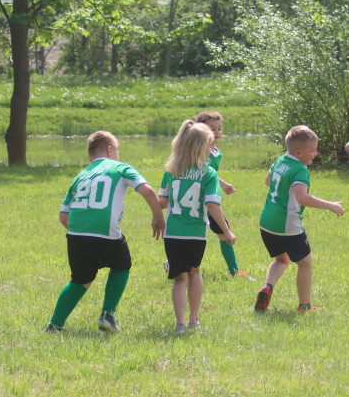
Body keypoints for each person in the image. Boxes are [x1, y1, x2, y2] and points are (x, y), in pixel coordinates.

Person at [45, 131, 166, 333]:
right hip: (105, 233)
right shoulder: (121, 168)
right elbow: (148, 191)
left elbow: (63, 216)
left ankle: (54, 325)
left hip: (76, 236)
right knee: (122, 265)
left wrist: (83, 232)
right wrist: (158, 217)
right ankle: (107, 315)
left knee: (80, 280)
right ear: (110, 150)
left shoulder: (80, 176)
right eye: (117, 150)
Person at [254, 125, 345, 314]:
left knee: (282, 259)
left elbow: (267, 181)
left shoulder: (280, 160)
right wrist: (331, 205)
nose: (316, 153)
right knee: (305, 263)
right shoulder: (300, 170)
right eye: (313, 150)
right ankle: (305, 306)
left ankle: (267, 287)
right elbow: (302, 197)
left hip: (266, 223)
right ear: (299, 152)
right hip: (287, 226)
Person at [159, 121, 236, 334]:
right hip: (195, 235)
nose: (212, 150)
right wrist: (227, 231)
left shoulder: (170, 172)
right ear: (200, 147)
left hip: (172, 235)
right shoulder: (208, 174)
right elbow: (213, 205)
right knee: (194, 272)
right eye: (209, 146)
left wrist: (157, 218)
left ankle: (180, 324)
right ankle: (194, 320)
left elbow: (162, 203)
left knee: (179, 279)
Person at [195, 110, 250, 278]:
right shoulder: (200, 151)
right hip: (199, 201)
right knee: (203, 235)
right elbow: (200, 171)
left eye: (219, 129)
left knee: (223, 233)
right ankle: (174, 264)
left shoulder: (215, 150)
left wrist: (224, 185)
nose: (217, 133)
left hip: (210, 199)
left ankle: (234, 271)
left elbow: (209, 173)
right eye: (212, 129)